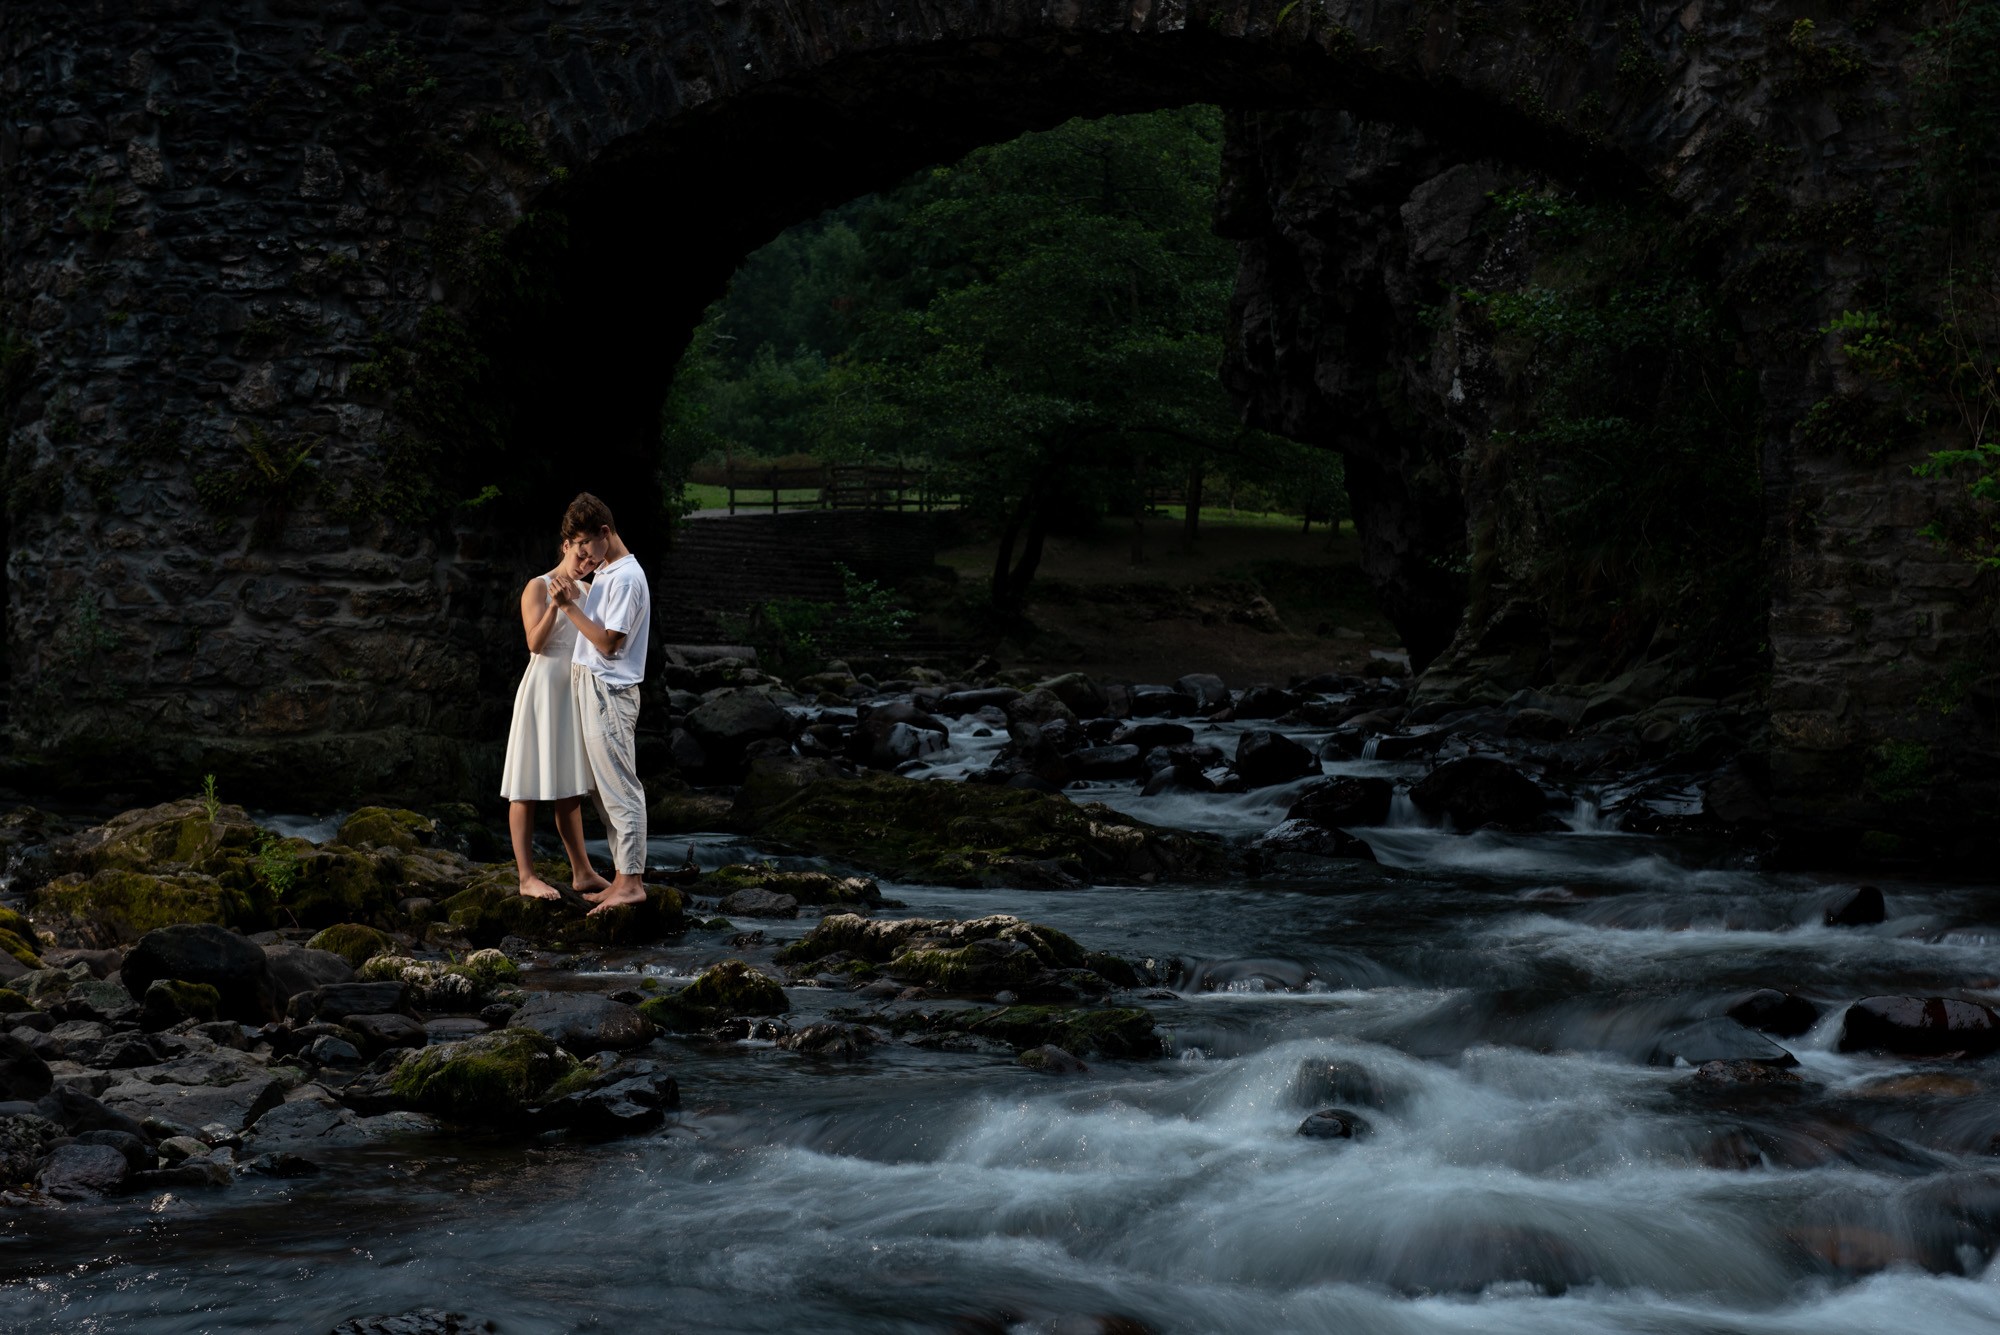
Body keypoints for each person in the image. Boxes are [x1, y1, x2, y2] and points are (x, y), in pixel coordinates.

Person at [550, 491, 652, 916]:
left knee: (620, 787)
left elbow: (609, 643)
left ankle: (631, 883)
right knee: (603, 790)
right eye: (576, 548)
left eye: (586, 545)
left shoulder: (627, 576)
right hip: (594, 687)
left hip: (609, 691)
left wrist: (568, 605)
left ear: (605, 533)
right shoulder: (610, 571)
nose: (584, 556)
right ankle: (623, 878)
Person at [499, 532, 609, 901]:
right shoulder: (537, 586)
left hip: (575, 688)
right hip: (543, 687)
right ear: (566, 544)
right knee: (524, 784)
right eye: (581, 555)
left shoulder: (592, 592)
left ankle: (583, 872)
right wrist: (556, 605)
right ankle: (526, 877)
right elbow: (534, 643)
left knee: (571, 788)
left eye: (592, 561)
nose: (584, 564)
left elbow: (598, 643)